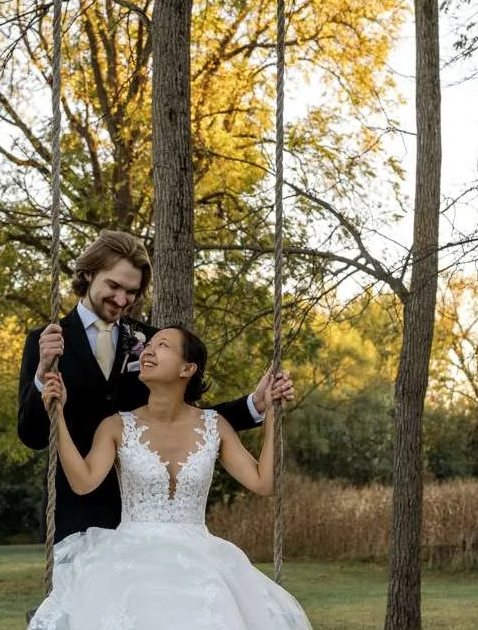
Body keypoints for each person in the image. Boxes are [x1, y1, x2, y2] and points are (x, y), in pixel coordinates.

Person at [3, 325, 319, 630]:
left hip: (198, 551)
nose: (148, 351)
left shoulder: (214, 425)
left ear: (188, 368)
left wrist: (273, 414)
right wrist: (58, 415)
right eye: (148, 347)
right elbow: (83, 482)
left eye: (162, 347)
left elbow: (263, 482)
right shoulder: (117, 425)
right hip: (134, 551)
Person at [16, 231, 294, 543]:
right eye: (114, 286)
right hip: (75, 515)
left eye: (131, 292)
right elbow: (32, 436)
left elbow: (188, 421)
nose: (122, 300)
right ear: (89, 274)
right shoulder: (47, 341)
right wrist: (42, 374)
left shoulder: (150, 342)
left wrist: (254, 404)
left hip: (147, 521)